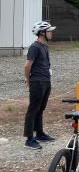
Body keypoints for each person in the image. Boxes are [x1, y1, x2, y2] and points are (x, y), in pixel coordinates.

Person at [23, 21, 57, 150]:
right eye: (49, 31)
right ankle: (29, 139)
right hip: (37, 81)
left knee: (40, 109)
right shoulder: (35, 47)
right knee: (33, 109)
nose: (51, 33)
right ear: (42, 33)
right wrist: (27, 79)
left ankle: (40, 133)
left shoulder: (44, 46)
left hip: (45, 80)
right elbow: (27, 65)